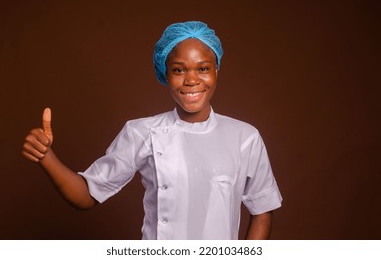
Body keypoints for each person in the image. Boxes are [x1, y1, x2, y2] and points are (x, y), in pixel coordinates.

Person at [22, 21, 282, 240]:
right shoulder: (141, 132)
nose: (191, 80)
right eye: (179, 70)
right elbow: (87, 194)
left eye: (203, 68)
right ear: (165, 74)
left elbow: (262, 208)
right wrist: (47, 157)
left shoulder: (244, 137)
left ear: (216, 70)